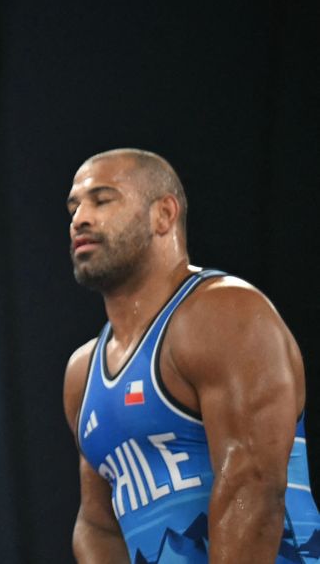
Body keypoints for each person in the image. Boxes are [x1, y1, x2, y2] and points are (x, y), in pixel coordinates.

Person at [62, 149, 320, 563]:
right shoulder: (83, 373)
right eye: (74, 207)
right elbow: (97, 524)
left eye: (102, 200)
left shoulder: (224, 313)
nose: (80, 218)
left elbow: (251, 485)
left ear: (163, 214)